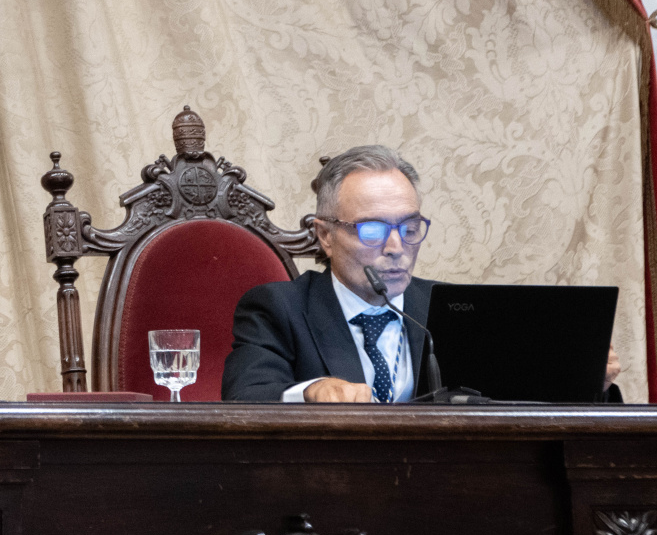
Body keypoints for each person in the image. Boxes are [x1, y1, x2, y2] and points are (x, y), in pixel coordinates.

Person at [223, 145, 620, 402]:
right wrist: (311, 391)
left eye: (409, 228)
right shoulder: (279, 308)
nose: (396, 247)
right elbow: (245, 396)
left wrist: (585, 380)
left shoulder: (450, 308)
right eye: (373, 229)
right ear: (326, 235)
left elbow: (514, 401)